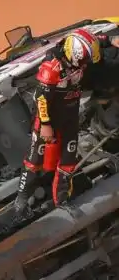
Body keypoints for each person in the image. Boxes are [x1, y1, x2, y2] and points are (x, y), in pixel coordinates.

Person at [14, 28, 119, 215]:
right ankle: (21, 200)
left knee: (68, 163)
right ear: (75, 55)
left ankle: (61, 200)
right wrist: (45, 125)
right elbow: (41, 99)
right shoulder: (51, 69)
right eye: (84, 60)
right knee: (34, 161)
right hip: (49, 121)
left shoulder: (77, 52)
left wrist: (111, 40)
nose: (86, 65)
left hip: (69, 117)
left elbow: (95, 40)